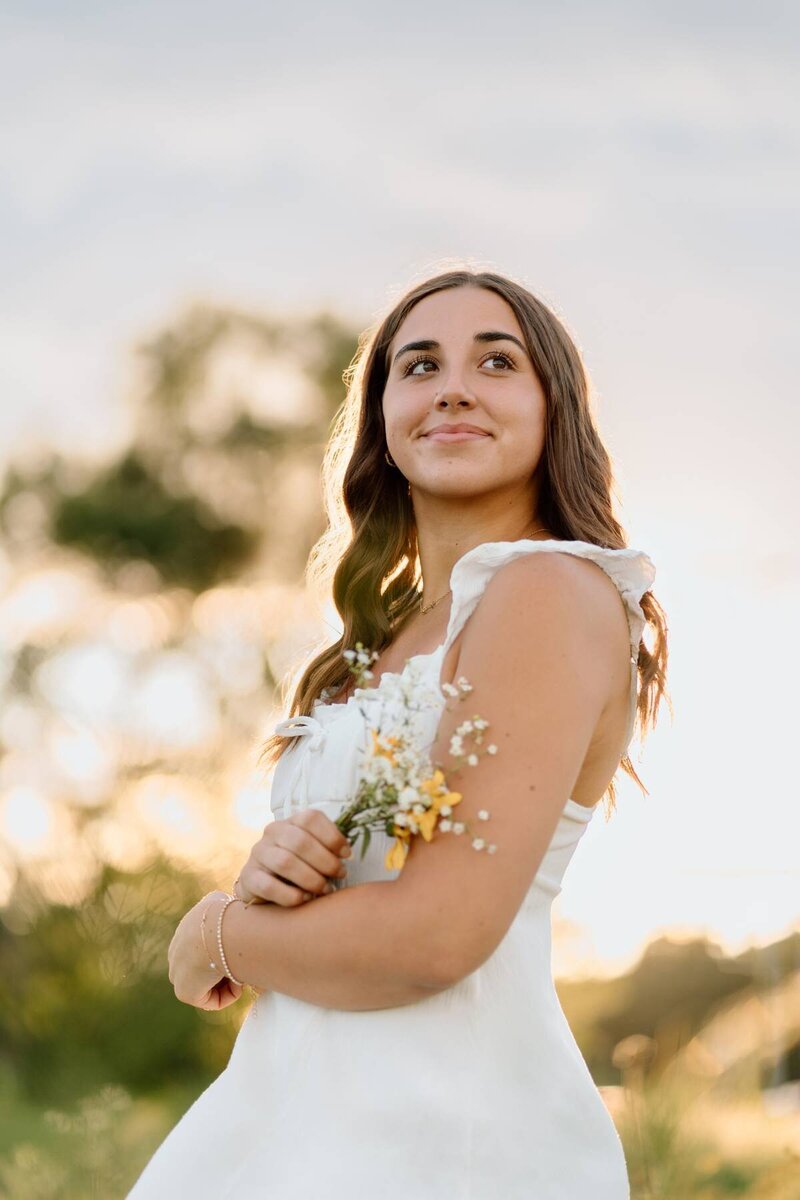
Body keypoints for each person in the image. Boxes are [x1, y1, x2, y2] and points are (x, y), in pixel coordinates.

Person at [127, 267, 669, 1199]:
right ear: (382, 415)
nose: (453, 383)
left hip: (440, 1139)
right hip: (288, 1114)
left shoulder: (546, 591)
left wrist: (217, 935)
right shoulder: (380, 639)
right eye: (419, 364)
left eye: (496, 361)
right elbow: (377, 882)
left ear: (555, 409)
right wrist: (278, 877)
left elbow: (437, 935)